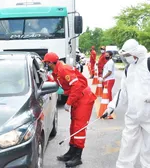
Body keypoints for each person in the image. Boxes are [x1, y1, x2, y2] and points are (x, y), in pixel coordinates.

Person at [43, 52, 97, 167]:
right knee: (73, 126)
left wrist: (68, 103)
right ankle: (71, 152)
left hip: (83, 99)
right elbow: (62, 84)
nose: (46, 65)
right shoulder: (57, 71)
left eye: (46, 63)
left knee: (79, 128)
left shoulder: (63, 69)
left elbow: (77, 86)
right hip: (78, 98)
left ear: (51, 63)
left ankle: (78, 156)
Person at [102, 39, 150, 168]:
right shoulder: (129, 69)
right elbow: (122, 92)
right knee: (127, 145)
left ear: (135, 53)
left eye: (127, 56)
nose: (126, 59)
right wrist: (111, 107)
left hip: (149, 115)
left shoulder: (148, 63)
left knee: (148, 149)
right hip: (133, 115)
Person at [98, 51, 115, 119]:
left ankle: (110, 107)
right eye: (105, 55)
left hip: (109, 79)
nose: (106, 56)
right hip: (107, 79)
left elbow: (109, 72)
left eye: (107, 55)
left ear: (110, 56)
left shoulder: (110, 62)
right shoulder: (108, 62)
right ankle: (109, 106)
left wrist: (103, 77)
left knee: (108, 93)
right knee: (107, 93)